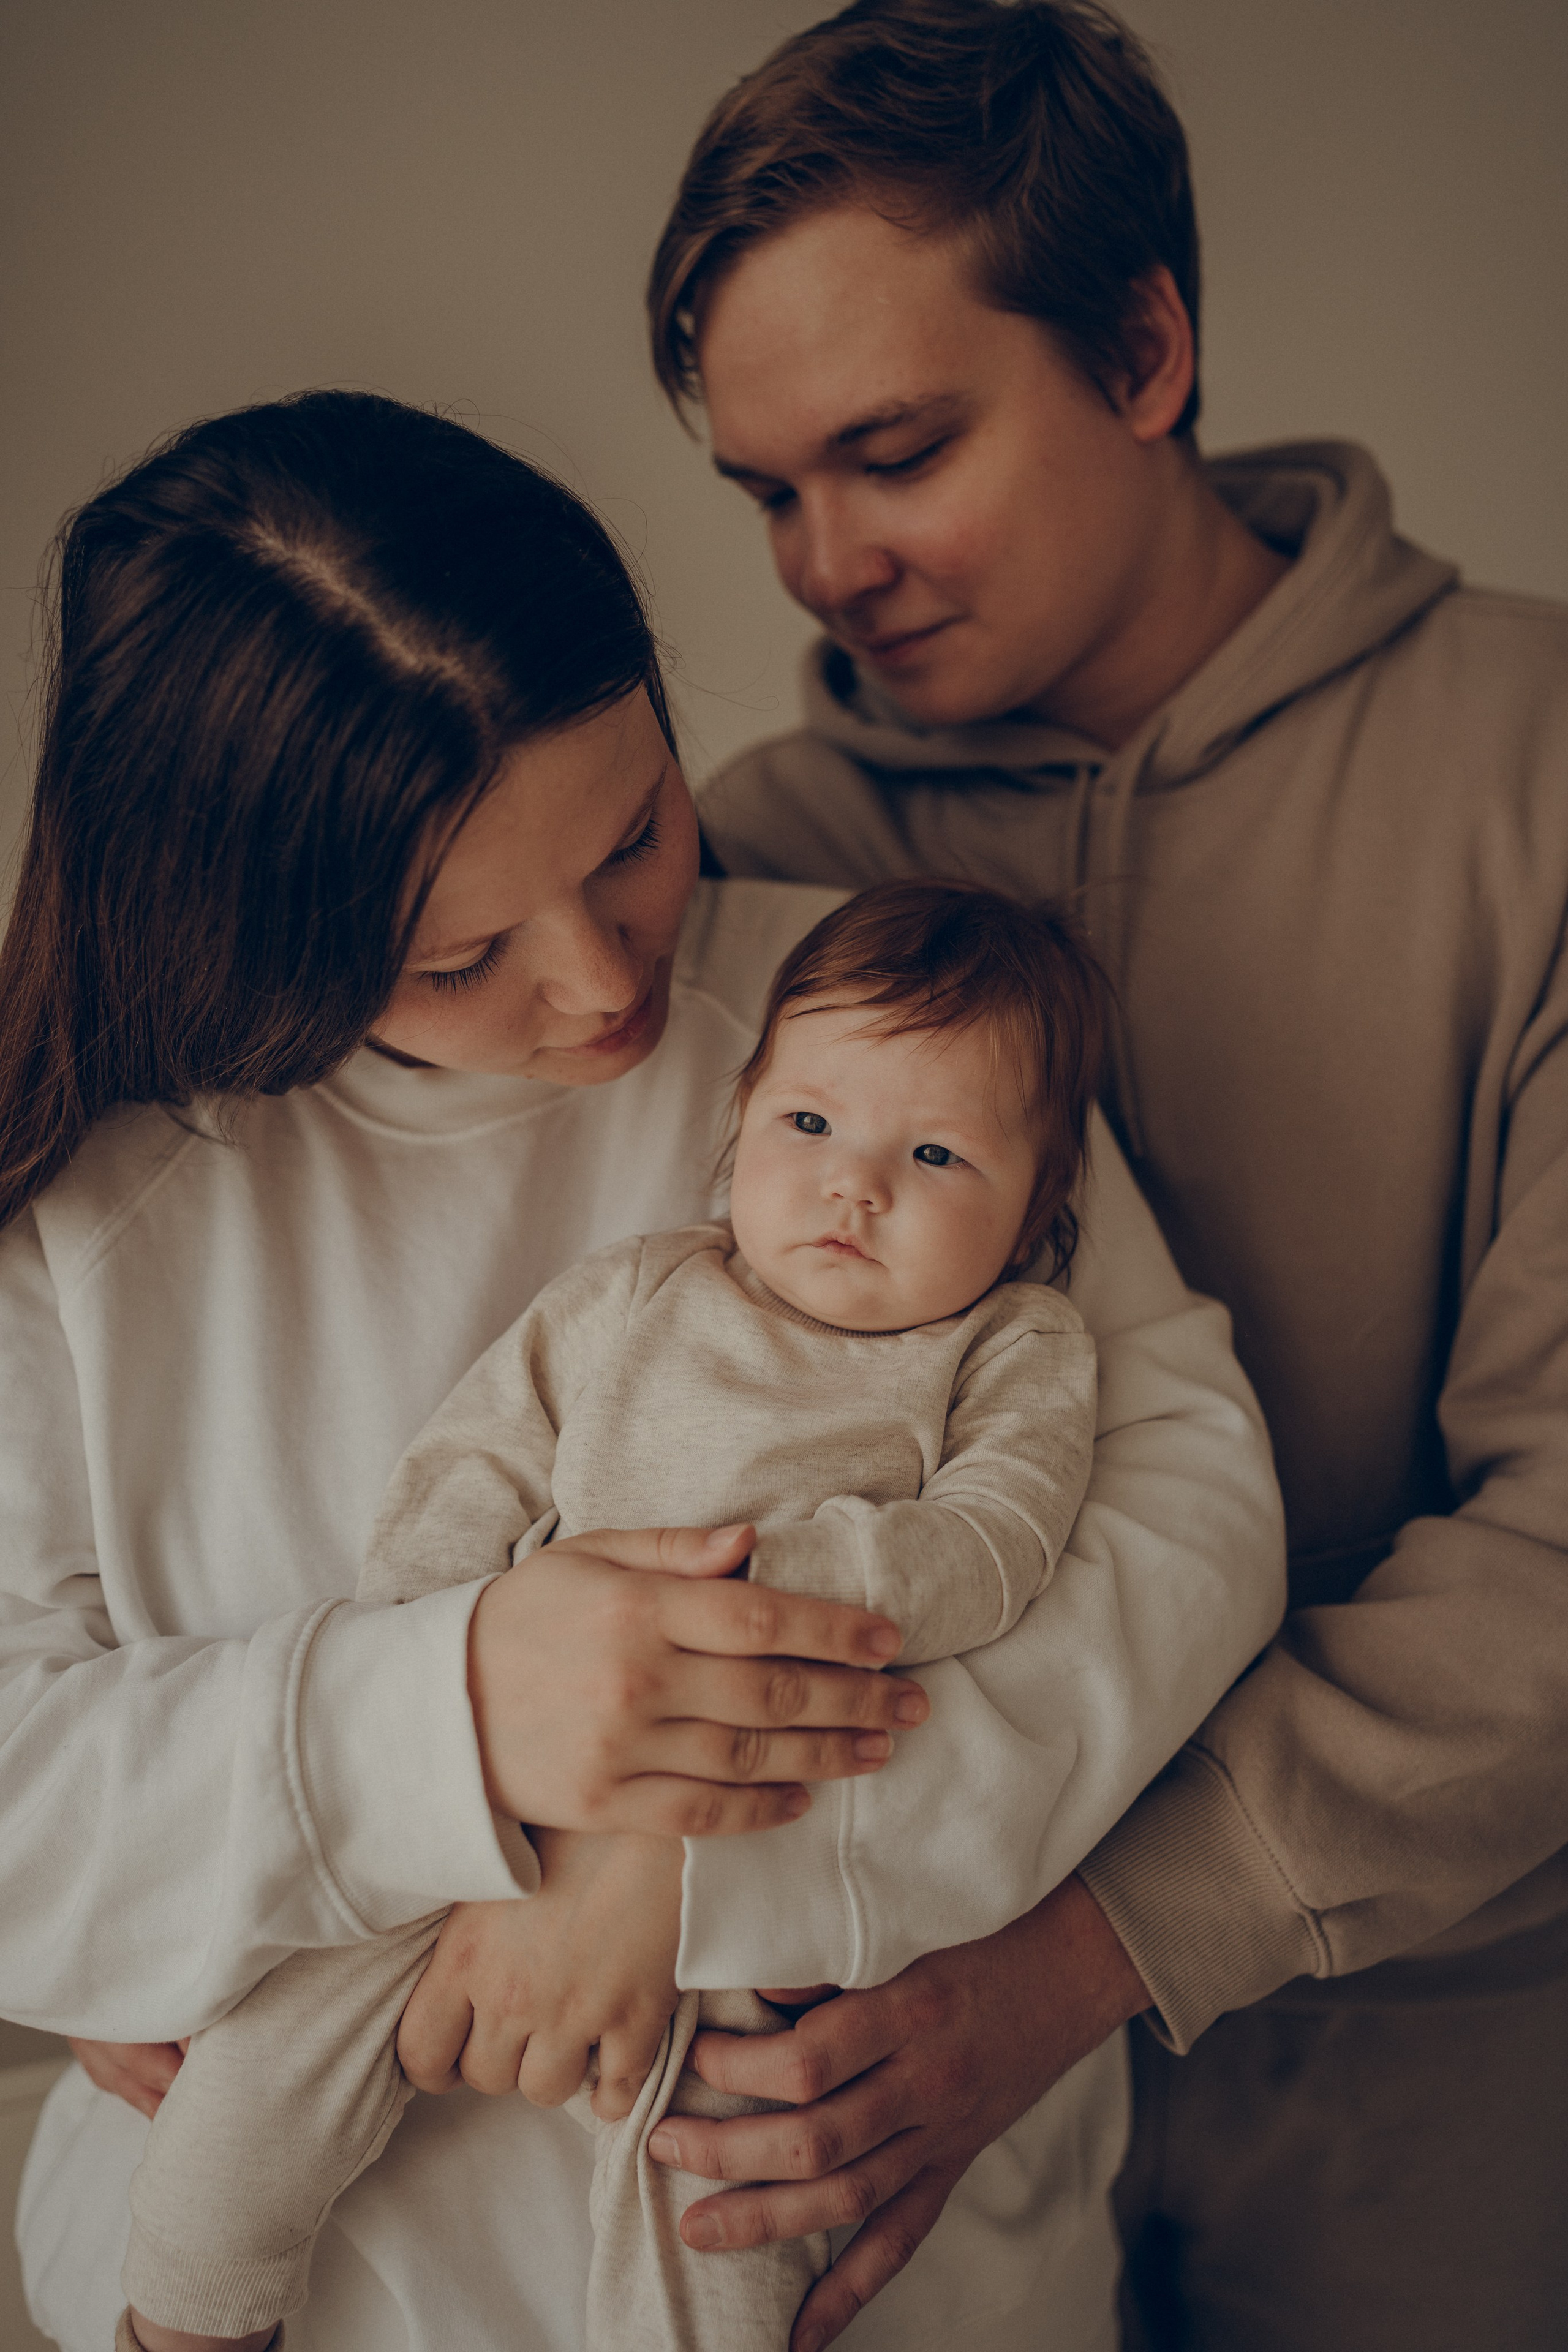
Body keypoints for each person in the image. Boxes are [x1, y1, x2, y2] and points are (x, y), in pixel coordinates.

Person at [2, 388, 1283, 2352]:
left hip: (865, 2257)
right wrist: (453, 1710)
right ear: (245, 921)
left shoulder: (886, 1039)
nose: (605, 981)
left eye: (633, 839)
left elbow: (1180, 1536)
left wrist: (683, 1875)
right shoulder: (100, 1216)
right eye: (456, 957)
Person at [633, 2, 1568, 2348]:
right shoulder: (753, 865)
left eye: (893, 450)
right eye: (763, 489)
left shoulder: (1538, 775)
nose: (821, 561)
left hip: (1432, 2111)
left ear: (1145, 349)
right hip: (870, 2115)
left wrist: (1085, 1959)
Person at [119, 878, 1107, 2352]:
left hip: (748, 1827)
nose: (854, 1186)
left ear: (1040, 1207)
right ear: (739, 1124)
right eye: (810, 1125)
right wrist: (442, 1662)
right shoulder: (637, 1289)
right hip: (500, 1764)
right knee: (268, 2056)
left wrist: (772, 1592)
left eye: (938, 1152)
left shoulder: (1011, 1342)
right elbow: (475, 1462)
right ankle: (187, 2322)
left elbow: (999, 1541)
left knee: (717, 2199)